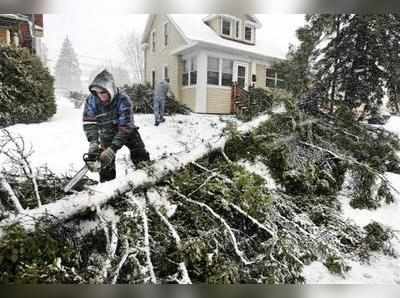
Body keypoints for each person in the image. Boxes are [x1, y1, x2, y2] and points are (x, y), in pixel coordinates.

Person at [83, 69, 150, 182]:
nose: (100, 96)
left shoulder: (123, 100)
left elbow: (125, 127)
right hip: (106, 133)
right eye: (97, 93)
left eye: (103, 92)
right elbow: (89, 123)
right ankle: (108, 188)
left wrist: (113, 149)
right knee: (105, 165)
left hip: (126, 132)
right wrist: (93, 142)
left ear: (110, 89)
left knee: (140, 154)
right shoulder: (91, 100)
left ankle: (147, 175)